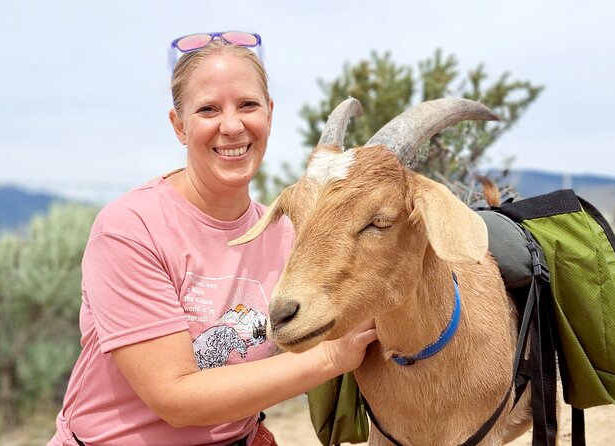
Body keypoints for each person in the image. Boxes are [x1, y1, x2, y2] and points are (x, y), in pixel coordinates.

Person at [48, 31, 377, 446]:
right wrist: (331, 357)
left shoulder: (287, 235)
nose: (232, 125)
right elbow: (175, 398)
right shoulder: (130, 228)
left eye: (248, 105)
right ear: (179, 126)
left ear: (270, 115)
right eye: (208, 109)